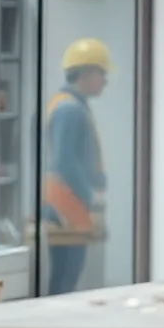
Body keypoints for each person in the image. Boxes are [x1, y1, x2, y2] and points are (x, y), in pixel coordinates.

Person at [41, 38, 110, 295]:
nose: (105, 80)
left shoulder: (69, 105)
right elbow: (65, 162)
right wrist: (91, 198)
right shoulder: (69, 110)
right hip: (66, 208)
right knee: (65, 280)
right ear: (88, 72)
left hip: (66, 206)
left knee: (67, 279)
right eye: (102, 73)